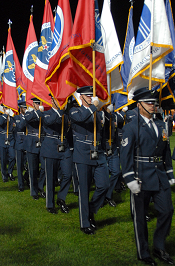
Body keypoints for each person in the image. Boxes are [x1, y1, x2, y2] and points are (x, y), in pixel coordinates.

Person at [120, 87, 174, 265]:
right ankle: (143, 253)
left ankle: (159, 246)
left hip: (159, 175)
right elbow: (125, 155)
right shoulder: (131, 127)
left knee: (167, 210)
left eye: (154, 103)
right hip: (141, 176)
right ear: (139, 105)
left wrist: (170, 173)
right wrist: (129, 178)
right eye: (149, 103)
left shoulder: (161, 124)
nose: (153, 105)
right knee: (140, 217)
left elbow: (166, 151)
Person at [69, 86, 109, 235]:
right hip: (83, 153)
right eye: (87, 96)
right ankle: (85, 223)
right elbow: (81, 118)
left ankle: (91, 209)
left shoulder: (97, 112)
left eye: (92, 96)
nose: (91, 98)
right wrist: (93, 108)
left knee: (104, 184)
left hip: (98, 153)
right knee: (84, 190)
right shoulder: (74, 111)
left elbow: (103, 130)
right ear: (81, 97)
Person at [37, 94, 73, 214]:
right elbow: (49, 121)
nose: (61, 102)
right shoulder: (46, 113)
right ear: (52, 101)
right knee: (51, 178)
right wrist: (60, 111)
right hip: (51, 147)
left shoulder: (65, 115)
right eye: (58, 100)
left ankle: (61, 198)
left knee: (68, 174)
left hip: (64, 147)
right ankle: (50, 204)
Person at [20, 98, 46, 200]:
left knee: (45, 167)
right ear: (33, 104)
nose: (38, 105)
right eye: (37, 103)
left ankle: (40, 186)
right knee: (33, 169)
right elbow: (24, 122)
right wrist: (38, 112)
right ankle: (34, 191)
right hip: (31, 144)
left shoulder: (44, 113)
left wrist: (41, 113)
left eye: (40, 103)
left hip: (43, 143)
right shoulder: (28, 113)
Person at [14, 101, 28, 192]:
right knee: (19, 165)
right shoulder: (16, 118)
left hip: (27, 143)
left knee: (29, 165)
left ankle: (26, 177)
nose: (26, 109)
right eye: (24, 108)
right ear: (20, 109)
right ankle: (21, 185)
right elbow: (19, 127)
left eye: (26, 108)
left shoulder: (29, 117)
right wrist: (25, 117)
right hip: (19, 143)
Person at [0, 105, 16, 182]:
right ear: (3, 109)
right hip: (3, 139)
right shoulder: (1, 117)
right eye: (6, 108)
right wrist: (5, 115)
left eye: (8, 108)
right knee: (3, 159)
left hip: (11, 139)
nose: (7, 110)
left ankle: (10, 172)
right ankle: (4, 174)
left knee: (13, 157)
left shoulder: (12, 118)